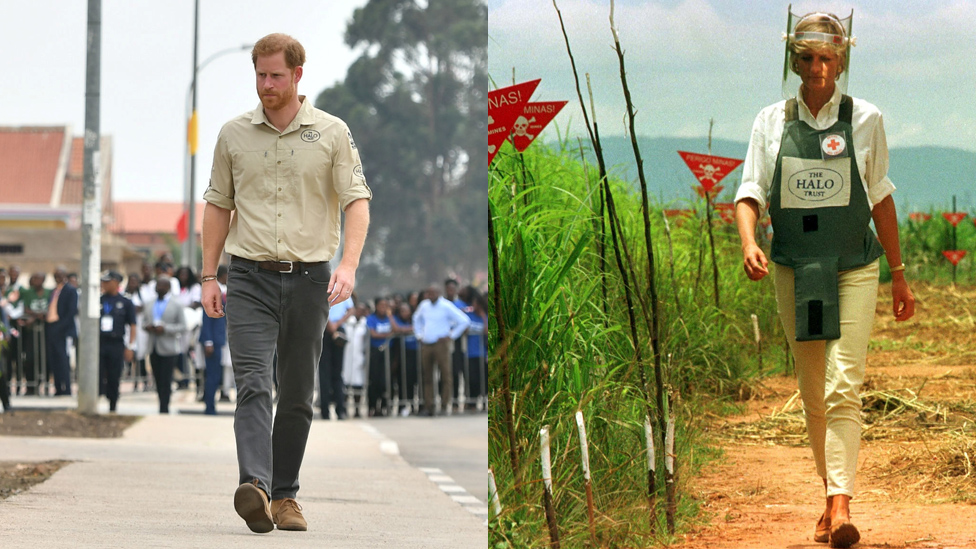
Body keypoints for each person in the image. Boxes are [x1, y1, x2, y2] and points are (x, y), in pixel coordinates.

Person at [734, 12, 915, 549]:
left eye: (827, 58)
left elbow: (880, 197)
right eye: (808, 58)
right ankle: (828, 494)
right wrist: (749, 242)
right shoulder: (771, 121)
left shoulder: (866, 119)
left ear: (842, 60)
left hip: (854, 267)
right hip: (795, 269)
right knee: (813, 388)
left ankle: (841, 506)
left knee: (844, 383)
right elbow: (749, 192)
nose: (817, 68)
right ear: (795, 60)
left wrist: (899, 275)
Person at [200, 33, 371, 534]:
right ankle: (254, 485)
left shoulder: (333, 133)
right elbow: (217, 206)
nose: (266, 84)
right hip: (249, 276)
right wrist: (210, 275)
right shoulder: (233, 135)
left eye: (276, 75)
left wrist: (349, 266)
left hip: (311, 279)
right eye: (260, 75)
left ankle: (285, 496)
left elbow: (356, 200)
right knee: (253, 383)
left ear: (298, 75)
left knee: (297, 393)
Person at [412, 286, 470, 416]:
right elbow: (416, 319)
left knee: (445, 376)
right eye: (428, 293)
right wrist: (419, 334)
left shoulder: (446, 306)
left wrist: (451, 335)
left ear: (439, 293)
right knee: (427, 377)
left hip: (441, 344)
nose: (430, 295)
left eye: (433, 293)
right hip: (426, 343)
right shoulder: (424, 305)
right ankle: (429, 406)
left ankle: (444, 406)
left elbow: (464, 321)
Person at [142, 275, 186, 414]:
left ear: (168, 287)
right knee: (157, 378)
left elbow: (183, 326)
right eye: (157, 285)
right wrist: (147, 327)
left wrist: (165, 328)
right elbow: (143, 321)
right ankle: (161, 402)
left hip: (169, 348)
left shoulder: (176, 304)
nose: (159, 288)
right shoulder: (149, 303)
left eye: (162, 285)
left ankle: (164, 407)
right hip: (153, 346)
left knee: (166, 380)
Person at [99, 271, 137, 413]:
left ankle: (113, 404)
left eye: (107, 281)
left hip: (116, 343)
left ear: (116, 283)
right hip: (100, 342)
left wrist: (130, 346)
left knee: (114, 375)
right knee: (98, 373)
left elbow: (132, 325)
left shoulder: (125, 302)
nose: (104, 284)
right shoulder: (99, 300)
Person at [199, 265, 228, 415]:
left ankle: (211, 404)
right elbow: (207, 318)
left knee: (216, 375)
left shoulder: (224, 292)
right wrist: (208, 341)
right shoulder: (215, 292)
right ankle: (209, 406)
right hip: (213, 341)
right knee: (212, 375)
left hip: (220, 339)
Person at [319, 296, 353, 419]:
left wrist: (337, 324)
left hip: (338, 330)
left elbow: (351, 309)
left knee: (337, 372)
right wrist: (329, 324)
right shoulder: (322, 287)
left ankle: (340, 409)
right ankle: (325, 410)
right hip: (324, 328)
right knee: (324, 373)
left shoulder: (341, 288)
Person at [15, 273, 50, 395]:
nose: (36, 281)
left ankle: (44, 385)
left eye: (39, 278)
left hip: (45, 332)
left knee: (45, 358)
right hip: (31, 332)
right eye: (34, 278)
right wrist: (36, 316)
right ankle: (31, 386)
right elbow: (23, 307)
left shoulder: (49, 292)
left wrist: (39, 316)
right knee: (30, 358)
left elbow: (51, 308)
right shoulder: (27, 293)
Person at [46, 267, 78, 396]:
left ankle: (67, 389)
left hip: (64, 330)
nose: (58, 277)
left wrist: (60, 327)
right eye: (55, 275)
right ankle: (58, 387)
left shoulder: (70, 290)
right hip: (52, 327)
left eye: (60, 274)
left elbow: (71, 312)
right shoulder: (54, 291)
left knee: (63, 359)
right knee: (54, 359)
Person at [365, 297, 398, 416]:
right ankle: (372, 406)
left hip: (388, 353)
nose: (383, 308)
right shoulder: (371, 319)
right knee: (374, 381)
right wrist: (388, 335)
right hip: (375, 352)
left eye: (385, 306)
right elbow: (373, 334)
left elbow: (395, 329)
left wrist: (390, 316)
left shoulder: (390, 318)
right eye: (381, 305)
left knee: (385, 381)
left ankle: (384, 406)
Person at [464, 290, 488, 411]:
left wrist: (482, 314)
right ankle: (472, 403)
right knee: (472, 379)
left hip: (482, 353)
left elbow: (486, 331)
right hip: (470, 353)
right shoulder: (469, 316)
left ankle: (484, 402)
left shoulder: (485, 317)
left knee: (483, 379)